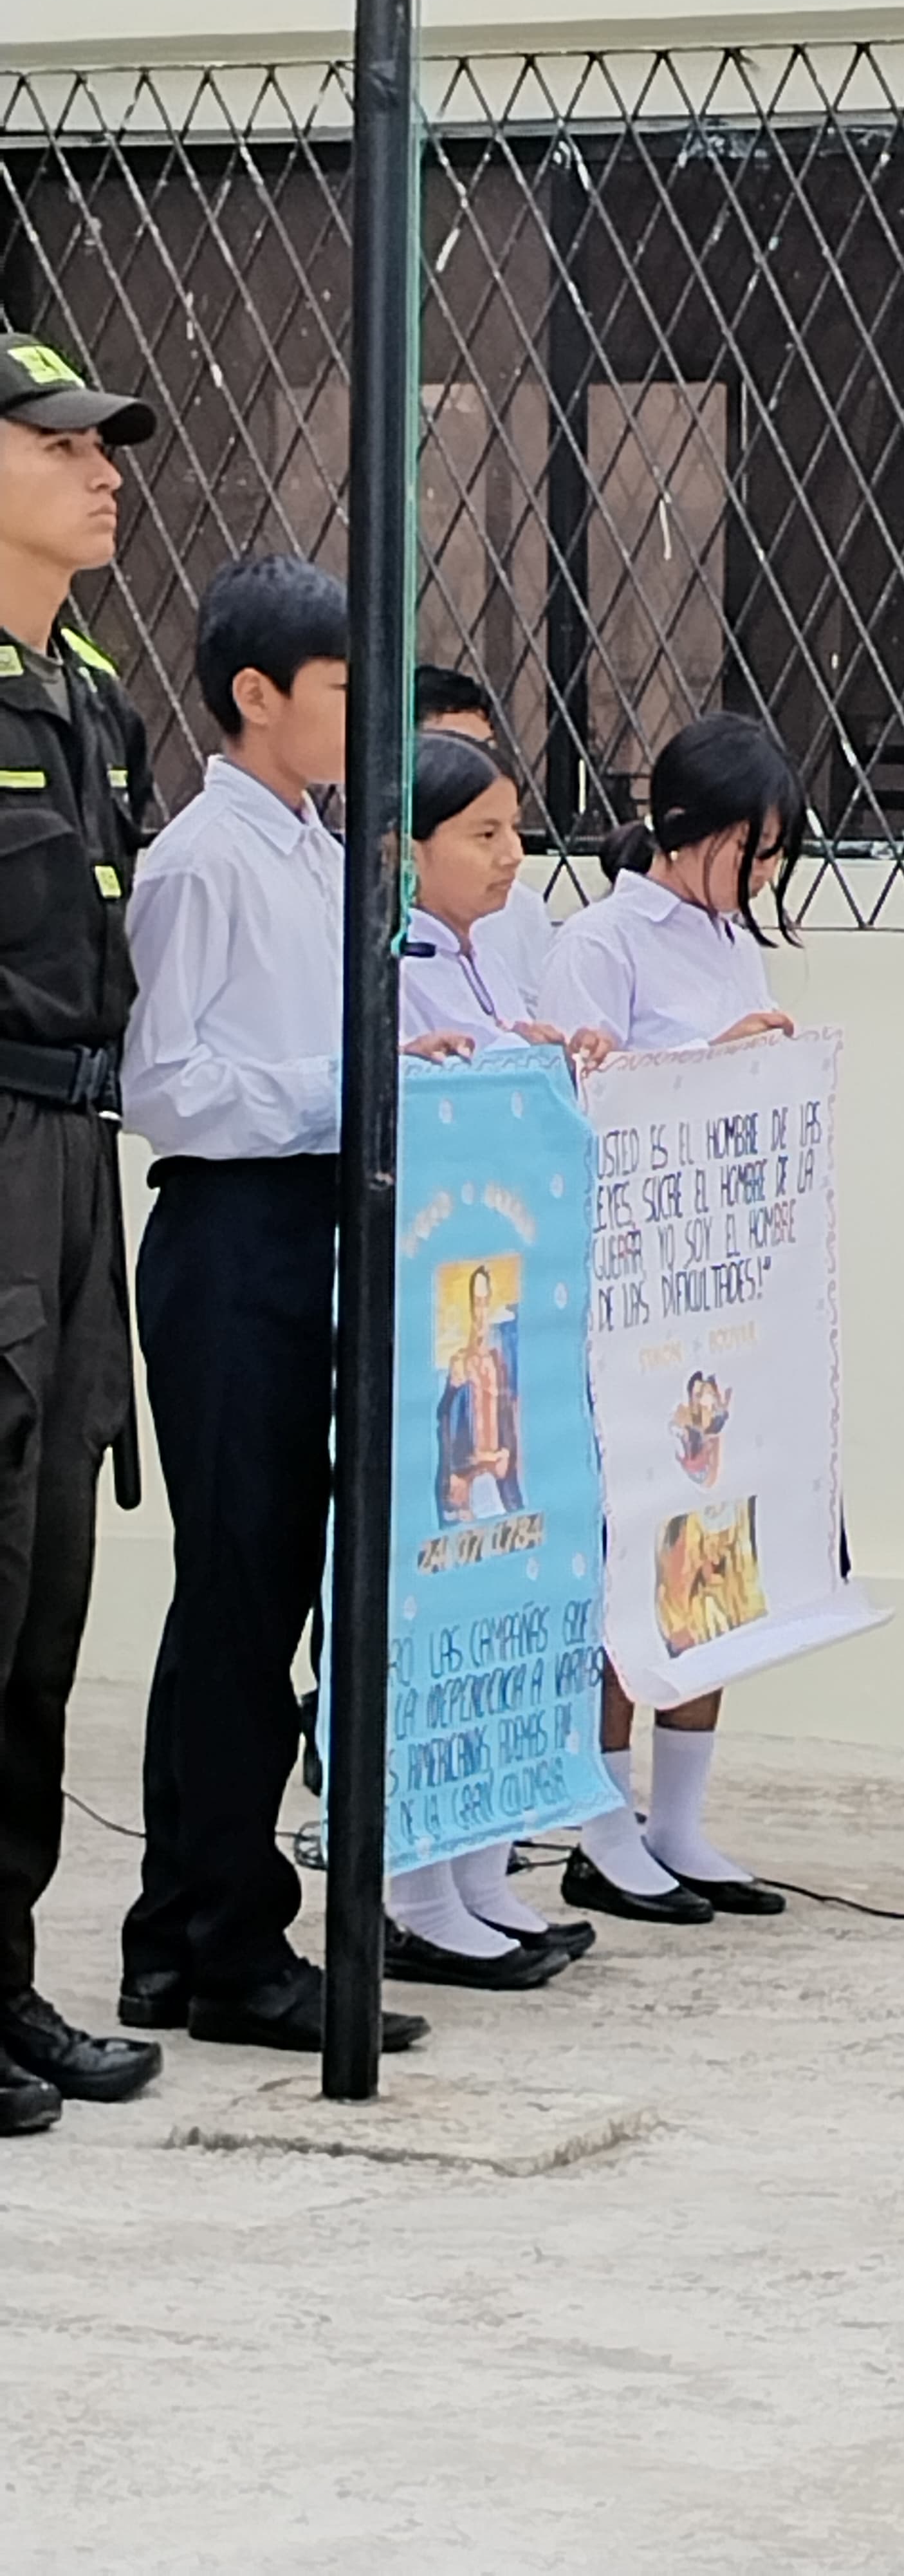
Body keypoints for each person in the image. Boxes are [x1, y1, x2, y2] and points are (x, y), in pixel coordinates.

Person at [116, 556, 427, 2057]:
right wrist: (341, 1089)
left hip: (308, 1229)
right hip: (232, 1239)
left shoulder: (316, 848)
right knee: (240, 1590)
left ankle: (183, 1933)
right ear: (256, 694)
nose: (366, 718)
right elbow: (163, 1083)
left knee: (256, 1592)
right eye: (344, 690)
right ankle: (233, 1950)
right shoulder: (201, 861)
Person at [539, 710, 804, 1925]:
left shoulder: (730, 938)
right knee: (628, 1551)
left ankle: (679, 1819)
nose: (764, 873)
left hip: (722, 1291)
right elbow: (582, 1097)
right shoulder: (601, 942)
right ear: (686, 826)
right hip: (625, 1291)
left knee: (713, 1546)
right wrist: (717, 1061)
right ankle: (599, 1821)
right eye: (751, 847)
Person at [0, 331, 170, 2134]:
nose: (101, 472)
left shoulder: (96, 694)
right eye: (59, 445)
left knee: (44, 1598)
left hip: (72, 1156)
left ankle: (8, 1979)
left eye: (103, 446)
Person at [378, 724, 609, 1990]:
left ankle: (476, 1875)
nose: (509, 855)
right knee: (437, 1596)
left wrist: (552, 1062)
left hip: (500, 1329)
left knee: (495, 1591)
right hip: (432, 1338)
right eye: (481, 833)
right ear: (406, 850)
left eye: (514, 830)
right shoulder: (395, 966)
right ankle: (416, 1895)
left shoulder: (467, 959)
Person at [412, 661, 554, 1007]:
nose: (514, 855)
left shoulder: (518, 912)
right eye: (488, 834)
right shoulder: (374, 955)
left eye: (514, 827)